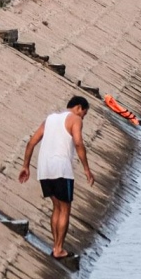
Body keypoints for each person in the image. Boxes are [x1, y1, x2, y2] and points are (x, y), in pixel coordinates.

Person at [18, 95, 95, 259]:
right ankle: (59, 249)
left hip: (44, 169)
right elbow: (79, 143)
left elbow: (31, 142)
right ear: (79, 108)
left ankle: (56, 246)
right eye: (84, 114)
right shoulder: (75, 119)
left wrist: (25, 166)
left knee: (57, 207)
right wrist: (87, 169)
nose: (83, 118)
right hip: (61, 169)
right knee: (65, 208)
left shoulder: (50, 119)